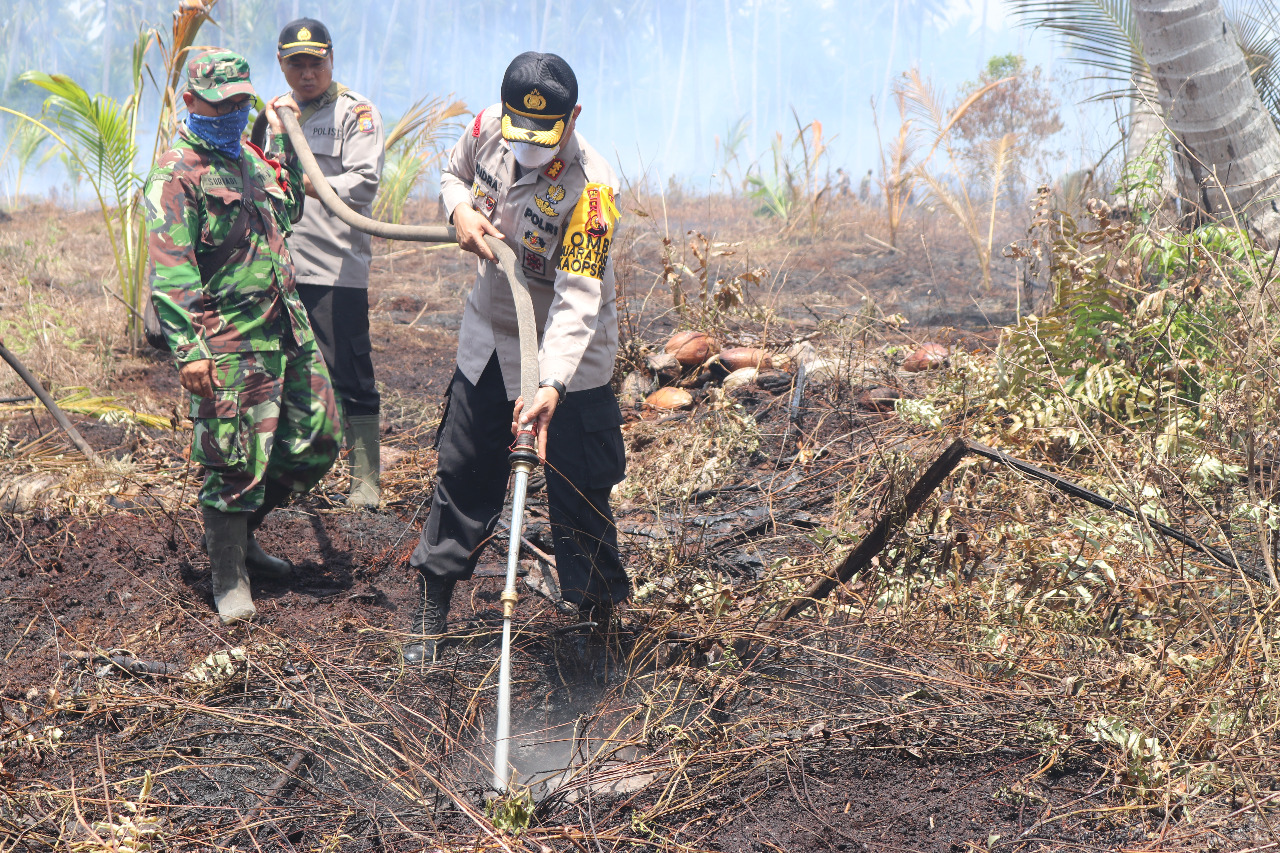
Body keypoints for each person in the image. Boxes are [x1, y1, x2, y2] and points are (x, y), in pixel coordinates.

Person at [403, 52, 628, 663]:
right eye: (518, 132)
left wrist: (549, 384)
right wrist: (460, 209)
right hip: (489, 338)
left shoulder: (592, 190)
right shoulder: (484, 130)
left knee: (578, 490)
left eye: (543, 136)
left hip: (569, 362)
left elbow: (578, 299)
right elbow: (451, 174)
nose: (526, 147)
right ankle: (433, 604)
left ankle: (598, 624)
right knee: (464, 471)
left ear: (573, 117)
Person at [144, 49, 342, 624]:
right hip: (228, 340)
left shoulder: (250, 158)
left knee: (316, 439)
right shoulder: (176, 175)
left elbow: (294, 207)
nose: (233, 111)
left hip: (287, 327)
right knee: (234, 462)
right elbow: (173, 270)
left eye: (241, 102)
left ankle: (244, 534)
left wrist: (284, 139)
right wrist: (190, 350)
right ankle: (228, 574)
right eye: (221, 102)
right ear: (191, 102)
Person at [271, 18, 386, 507]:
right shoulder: (271, 118)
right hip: (280, 268)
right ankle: (287, 477)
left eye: (314, 61)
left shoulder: (354, 113)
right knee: (281, 372)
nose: (306, 72)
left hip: (336, 267)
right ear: (282, 65)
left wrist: (307, 183)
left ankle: (366, 480)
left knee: (350, 373)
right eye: (296, 63)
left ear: (331, 59)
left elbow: (363, 183)